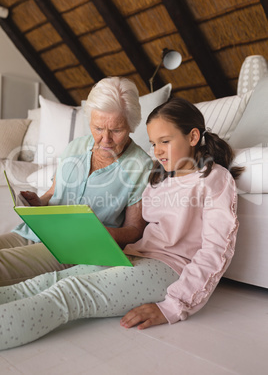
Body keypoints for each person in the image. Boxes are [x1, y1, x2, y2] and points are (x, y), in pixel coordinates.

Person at [0, 97, 243, 350]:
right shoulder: (158, 178)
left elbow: (217, 249)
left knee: (70, 293)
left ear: (193, 137)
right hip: (134, 256)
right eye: (153, 143)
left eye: (165, 141)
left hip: (171, 268)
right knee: (49, 281)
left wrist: (174, 305)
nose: (157, 151)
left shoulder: (215, 178)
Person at [0, 77, 152, 286]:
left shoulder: (141, 166)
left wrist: (103, 233)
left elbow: (135, 230)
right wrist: (37, 202)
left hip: (73, 246)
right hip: (37, 230)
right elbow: (52, 194)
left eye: (116, 131)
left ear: (131, 125)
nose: (105, 140)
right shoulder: (76, 146)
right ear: (90, 121)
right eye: (98, 128)